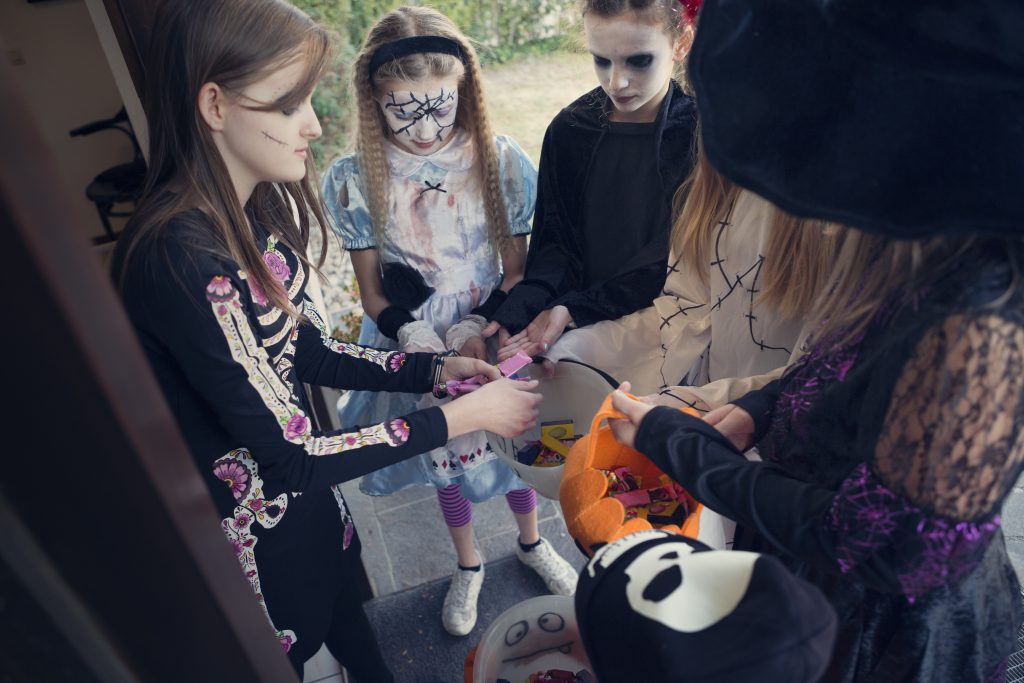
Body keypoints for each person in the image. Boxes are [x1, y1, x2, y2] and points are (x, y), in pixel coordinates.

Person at [111, 0, 540, 678]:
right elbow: (290, 458)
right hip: (260, 553)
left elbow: (310, 351)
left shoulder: (245, 217)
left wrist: (435, 368)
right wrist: (461, 413)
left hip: (317, 522)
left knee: (363, 641)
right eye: (288, 105)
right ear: (215, 104)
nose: (312, 123)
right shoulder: (178, 259)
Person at [609, 1, 1024, 680]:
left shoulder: (984, 328)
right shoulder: (927, 242)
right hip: (814, 569)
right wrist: (763, 405)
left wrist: (679, 444)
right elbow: (854, 355)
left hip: (888, 638)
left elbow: (874, 542)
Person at [322, 5, 577, 638]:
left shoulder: (499, 160)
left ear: (462, 92)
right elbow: (371, 292)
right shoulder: (357, 179)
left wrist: (479, 323)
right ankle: (467, 564)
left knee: (513, 443)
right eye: (403, 110)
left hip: (490, 329)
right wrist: (413, 332)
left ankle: (529, 542)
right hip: (418, 343)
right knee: (448, 453)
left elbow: (517, 271)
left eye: (439, 106)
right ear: (374, 100)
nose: (425, 127)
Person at [483, 0, 700, 360]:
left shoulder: (700, 135)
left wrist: (580, 307)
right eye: (601, 60)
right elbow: (555, 246)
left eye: (639, 60)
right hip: (572, 328)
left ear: (681, 44)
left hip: (670, 332)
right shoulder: (570, 130)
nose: (616, 81)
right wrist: (519, 311)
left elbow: (680, 255)